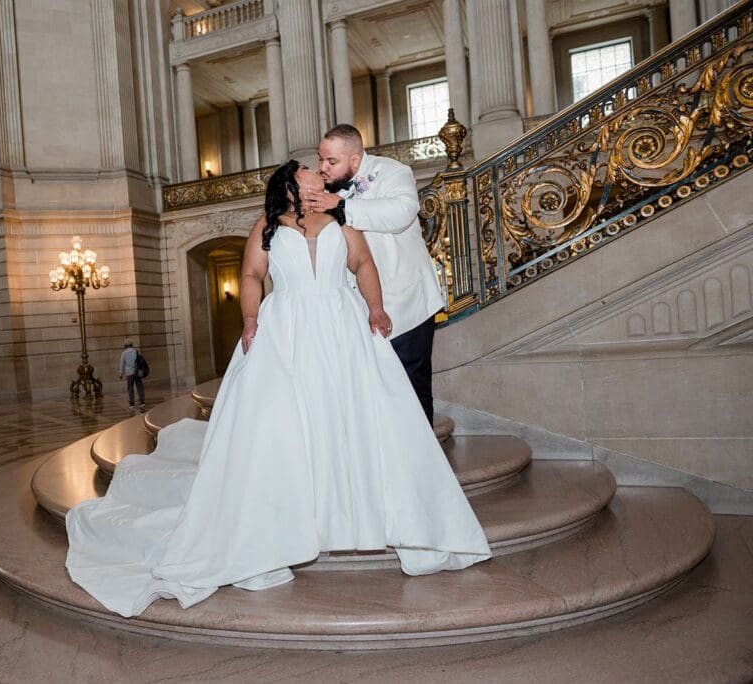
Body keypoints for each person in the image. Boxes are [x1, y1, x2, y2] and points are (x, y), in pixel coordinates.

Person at [64, 161, 490, 618]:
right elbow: (250, 276)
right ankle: (281, 530)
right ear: (290, 183)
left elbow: (363, 264)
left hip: (342, 330)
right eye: (308, 168)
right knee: (283, 427)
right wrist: (250, 319)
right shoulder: (267, 226)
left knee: (355, 419)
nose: (316, 171)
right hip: (284, 330)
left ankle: (365, 516)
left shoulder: (339, 219)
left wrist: (376, 308)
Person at [303, 124, 444, 426]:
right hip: (355, 312)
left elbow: (402, 212)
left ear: (355, 160)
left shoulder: (393, 172)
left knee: (411, 389)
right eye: (320, 159)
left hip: (405, 302)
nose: (322, 168)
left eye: (331, 162)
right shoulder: (324, 190)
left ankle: (421, 464)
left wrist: (341, 206)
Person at [118, 339, 145, 411]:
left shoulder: (124, 353)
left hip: (129, 373)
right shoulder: (135, 351)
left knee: (130, 388)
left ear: (125, 345)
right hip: (137, 372)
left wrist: (121, 373)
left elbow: (122, 364)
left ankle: (131, 404)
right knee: (139, 387)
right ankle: (142, 402)